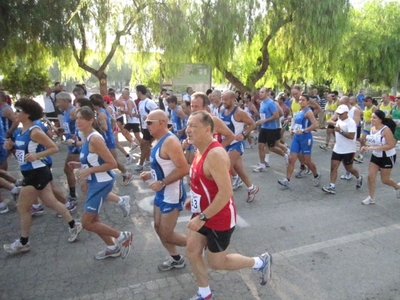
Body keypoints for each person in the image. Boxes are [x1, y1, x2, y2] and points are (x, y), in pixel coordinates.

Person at [185, 111, 272, 300]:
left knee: (217, 262)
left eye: (193, 126)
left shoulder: (215, 154)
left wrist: (202, 218)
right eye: (188, 125)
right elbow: (203, 182)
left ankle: (259, 262)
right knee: (192, 251)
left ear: (208, 129)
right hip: (203, 213)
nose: (188, 130)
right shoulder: (199, 150)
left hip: (218, 217)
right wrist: (193, 198)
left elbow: (226, 192)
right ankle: (205, 294)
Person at [3, 98, 82, 254]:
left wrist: (38, 155)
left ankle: (23, 242)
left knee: (22, 207)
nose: (15, 113)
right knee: (51, 202)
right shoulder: (20, 132)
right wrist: (11, 148)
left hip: (37, 173)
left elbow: (53, 148)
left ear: (28, 114)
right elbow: (21, 154)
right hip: (31, 171)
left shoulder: (35, 131)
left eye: (18, 111)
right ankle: (74, 225)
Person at [69, 106, 133, 259]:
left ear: (91, 120)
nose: (78, 121)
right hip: (94, 182)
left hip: (101, 183)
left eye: (82, 118)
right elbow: (94, 161)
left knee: (87, 223)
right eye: (77, 118)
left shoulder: (95, 138)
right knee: (94, 220)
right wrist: (79, 166)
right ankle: (111, 247)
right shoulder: (87, 136)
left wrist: (88, 171)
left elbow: (112, 163)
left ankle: (122, 236)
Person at [139, 110, 189, 270]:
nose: (146, 126)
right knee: (158, 228)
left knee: (167, 234)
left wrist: (162, 182)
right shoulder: (158, 140)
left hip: (172, 194)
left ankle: (203, 244)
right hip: (162, 192)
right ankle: (176, 259)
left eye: (149, 122)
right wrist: (151, 174)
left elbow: (183, 168)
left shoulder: (170, 141)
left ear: (161, 122)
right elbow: (165, 165)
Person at [220, 90, 259, 202]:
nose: (223, 101)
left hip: (236, 144)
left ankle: (225, 198)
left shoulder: (239, 112)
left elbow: (252, 124)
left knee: (224, 168)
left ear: (233, 99)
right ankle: (252, 188)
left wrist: (243, 134)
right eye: (222, 99)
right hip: (226, 143)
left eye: (226, 99)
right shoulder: (223, 110)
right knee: (238, 169)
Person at [278, 94, 321, 188]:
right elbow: (296, 123)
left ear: (307, 102)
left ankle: (316, 175)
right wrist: (292, 129)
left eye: (303, 100)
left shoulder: (308, 112)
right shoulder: (299, 111)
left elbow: (315, 125)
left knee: (307, 161)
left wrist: (304, 130)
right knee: (291, 159)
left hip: (306, 138)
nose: (301, 101)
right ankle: (287, 180)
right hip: (297, 137)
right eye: (300, 100)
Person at [90, 94, 133, 186]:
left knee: (113, 161)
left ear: (93, 104)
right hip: (109, 138)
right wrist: (111, 130)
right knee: (105, 160)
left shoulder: (101, 114)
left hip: (107, 140)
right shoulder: (103, 111)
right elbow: (113, 120)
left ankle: (127, 174)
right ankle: (105, 177)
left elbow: (104, 128)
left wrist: (96, 127)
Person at [360, 110, 400, 205]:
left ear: (380, 119)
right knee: (370, 176)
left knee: (385, 180)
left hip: (387, 156)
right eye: (372, 117)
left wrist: (372, 148)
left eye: (374, 118)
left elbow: (390, 145)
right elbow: (373, 142)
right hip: (376, 155)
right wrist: (365, 147)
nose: (371, 119)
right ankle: (371, 198)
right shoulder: (373, 129)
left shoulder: (386, 130)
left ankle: (397, 187)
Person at [322, 105, 363, 194]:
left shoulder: (351, 122)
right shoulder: (338, 121)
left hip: (348, 149)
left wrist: (340, 131)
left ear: (346, 113)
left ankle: (359, 177)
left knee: (349, 169)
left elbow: (352, 136)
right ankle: (332, 186)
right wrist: (335, 141)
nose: (339, 115)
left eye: (341, 114)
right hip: (338, 149)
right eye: (338, 114)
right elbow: (336, 132)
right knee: (333, 167)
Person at [253, 88, 288, 172]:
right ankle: (262, 165)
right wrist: (259, 122)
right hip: (264, 128)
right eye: (260, 92)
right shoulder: (262, 103)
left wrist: (264, 120)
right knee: (260, 146)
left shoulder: (271, 103)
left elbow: (276, 115)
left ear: (267, 93)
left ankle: (285, 155)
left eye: (262, 92)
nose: (260, 94)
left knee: (271, 148)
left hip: (272, 128)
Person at [134, 85, 159, 172]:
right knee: (145, 145)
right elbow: (141, 115)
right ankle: (148, 161)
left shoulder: (149, 102)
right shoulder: (141, 102)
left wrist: (149, 118)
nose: (136, 93)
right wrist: (136, 115)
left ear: (139, 92)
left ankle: (141, 165)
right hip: (144, 127)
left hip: (150, 127)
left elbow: (158, 112)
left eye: (136, 91)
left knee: (144, 145)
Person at [356, 96, 377, 163]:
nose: (364, 102)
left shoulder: (374, 108)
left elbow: (377, 117)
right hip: (366, 127)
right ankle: (360, 155)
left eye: (366, 101)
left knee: (376, 143)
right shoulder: (365, 108)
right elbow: (364, 117)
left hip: (373, 128)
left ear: (370, 101)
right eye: (364, 101)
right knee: (362, 140)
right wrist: (363, 123)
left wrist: (371, 121)